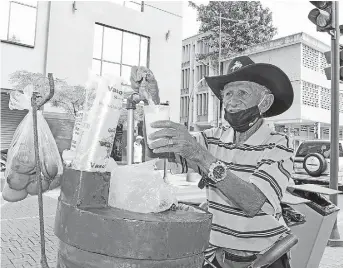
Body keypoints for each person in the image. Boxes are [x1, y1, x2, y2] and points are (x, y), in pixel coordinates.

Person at [143, 56, 295, 268]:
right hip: (217, 258)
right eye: (228, 94)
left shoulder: (278, 143)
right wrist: (152, 103)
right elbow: (158, 152)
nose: (232, 101)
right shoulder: (212, 137)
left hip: (265, 259)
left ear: (265, 102)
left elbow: (252, 203)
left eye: (242, 93)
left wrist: (200, 155)